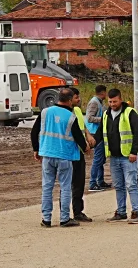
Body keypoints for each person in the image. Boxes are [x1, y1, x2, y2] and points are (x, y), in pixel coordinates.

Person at [31, 87, 89, 227]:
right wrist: (86, 148)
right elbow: (78, 137)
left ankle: (46, 219)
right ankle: (64, 218)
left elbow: (34, 132)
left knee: (47, 187)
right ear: (69, 101)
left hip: (47, 155)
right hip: (64, 156)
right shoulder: (70, 116)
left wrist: (36, 149)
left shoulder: (45, 112)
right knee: (65, 187)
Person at [103, 90, 138, 223]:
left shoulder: (129, 113)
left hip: (128, 156)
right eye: (110, 102)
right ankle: (121, 212)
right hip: (114, 157)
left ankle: (135, 212)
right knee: (119, 185)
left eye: (115, 101)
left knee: (131, 184)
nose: (112, 104)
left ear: (120, 100)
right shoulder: (106, 114)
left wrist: (134, 151)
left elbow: (137, 133)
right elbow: (101, 132)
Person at [68, 89, 93, 222]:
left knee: (79, 183)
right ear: (70, 99)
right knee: (67, 185)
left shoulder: (77, 110)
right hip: (68, 153)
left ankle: (78, 212)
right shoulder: (65, 113)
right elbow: (75, 133)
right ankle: (64, 214)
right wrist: (85, 146)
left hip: (78, 153)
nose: (79, 100)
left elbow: (82, 127)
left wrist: (88, 134)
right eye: (77, 98)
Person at [85, 87, 109, 191]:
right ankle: (93, 183)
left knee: (101, 159)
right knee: (98, 159)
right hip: (96, 133)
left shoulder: (99, 102)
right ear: (103, 93)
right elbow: (89, 118)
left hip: (99, 132)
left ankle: (100, 181)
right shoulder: (94, 102)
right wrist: (104, 119)